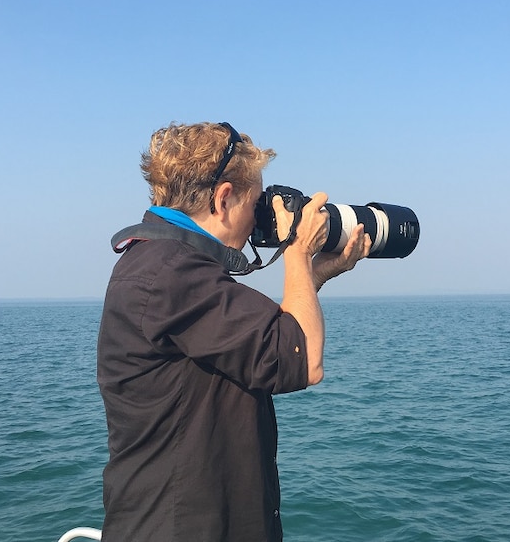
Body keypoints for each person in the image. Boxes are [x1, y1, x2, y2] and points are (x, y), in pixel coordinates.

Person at [96, 121, 370, 542]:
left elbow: (265, 338)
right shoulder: (171, 273)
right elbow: (303, 358)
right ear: (224, 199)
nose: (259, 217)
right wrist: (297, 249)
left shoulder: (163, 266)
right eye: (257, 203)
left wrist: (314, 275)